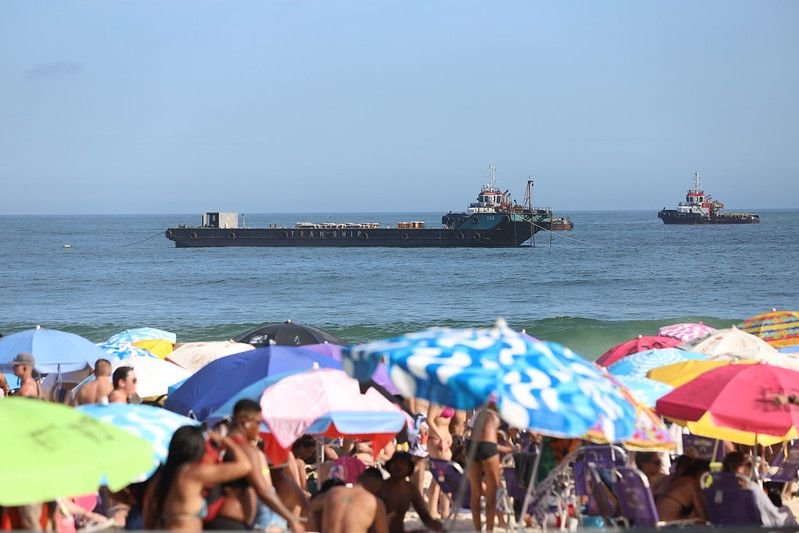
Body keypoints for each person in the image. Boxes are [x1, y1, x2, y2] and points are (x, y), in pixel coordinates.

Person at [210, 399, 305, 531]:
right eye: (258, 423)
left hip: (214, 518)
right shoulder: (247, 450)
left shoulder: (220, 444)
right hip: (231, 520)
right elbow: (263, 490)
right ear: (245, 422)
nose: (259, 429)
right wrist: (291, 519)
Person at [142, 426, 252, 531]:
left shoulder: (163, 475)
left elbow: (150, 510)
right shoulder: (192, 473)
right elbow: (245, 466)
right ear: (197, 449)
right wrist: (226, 441)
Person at [722, 451, 798, 527]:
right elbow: (774, 517)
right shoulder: (751, 489)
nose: (750, 467)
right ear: (738, 468)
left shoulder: (720, 489)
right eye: (748, 464)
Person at [377, 452, 443, 533]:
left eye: (403, 464)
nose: (399, 466)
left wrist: (438, 527)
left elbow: (425, 516)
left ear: (409, 468)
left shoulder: (411, 489)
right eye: (395, 463)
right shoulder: (381, 487)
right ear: (389, 466)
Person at [311, 469, 388, 533]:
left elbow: (309, 508)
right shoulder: (375, 502)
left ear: (359, 478)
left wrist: (317, 527)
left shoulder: (333, 492)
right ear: (377, 487)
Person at [468, 403, 502, 532]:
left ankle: (478, 530)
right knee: (491, 494)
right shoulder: (499, 412)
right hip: (488, 446)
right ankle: (489, 530)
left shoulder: (478, 413)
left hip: (472, 446)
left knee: (475, 493)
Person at [654, 455, 709, 522]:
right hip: (670, 527)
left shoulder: (666, 479)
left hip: (655, 525)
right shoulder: (691, 483)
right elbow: (704, 516)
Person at [426, 404, 454, 519]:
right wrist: (441, 438)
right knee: (440, 475)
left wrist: (448, 437)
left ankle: (444, 510)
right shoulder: (436, 401)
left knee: (443, 476)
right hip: (436, 440)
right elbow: (429, 420)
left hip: (445, 438)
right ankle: (434, 510)